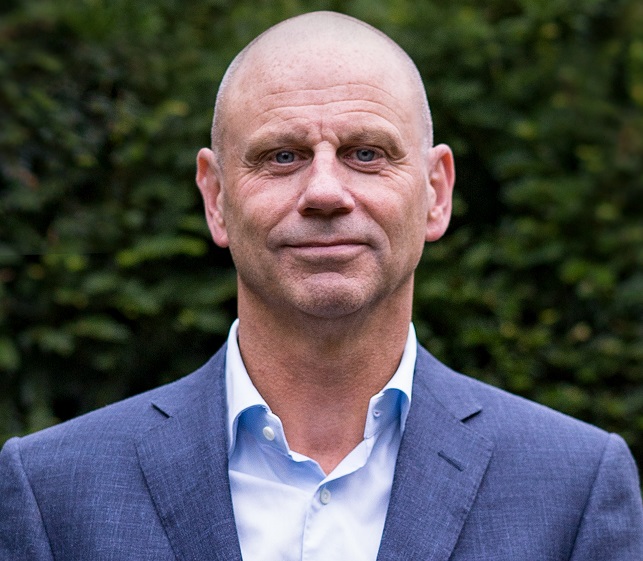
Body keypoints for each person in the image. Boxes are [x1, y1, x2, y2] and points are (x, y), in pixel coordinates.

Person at [1, 10, 642, 561]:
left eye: (367, 153)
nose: (326, 192)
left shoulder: (574, 487)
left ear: (436, 193)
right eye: (282, 156)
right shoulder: (56, 491)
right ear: (216, 198)